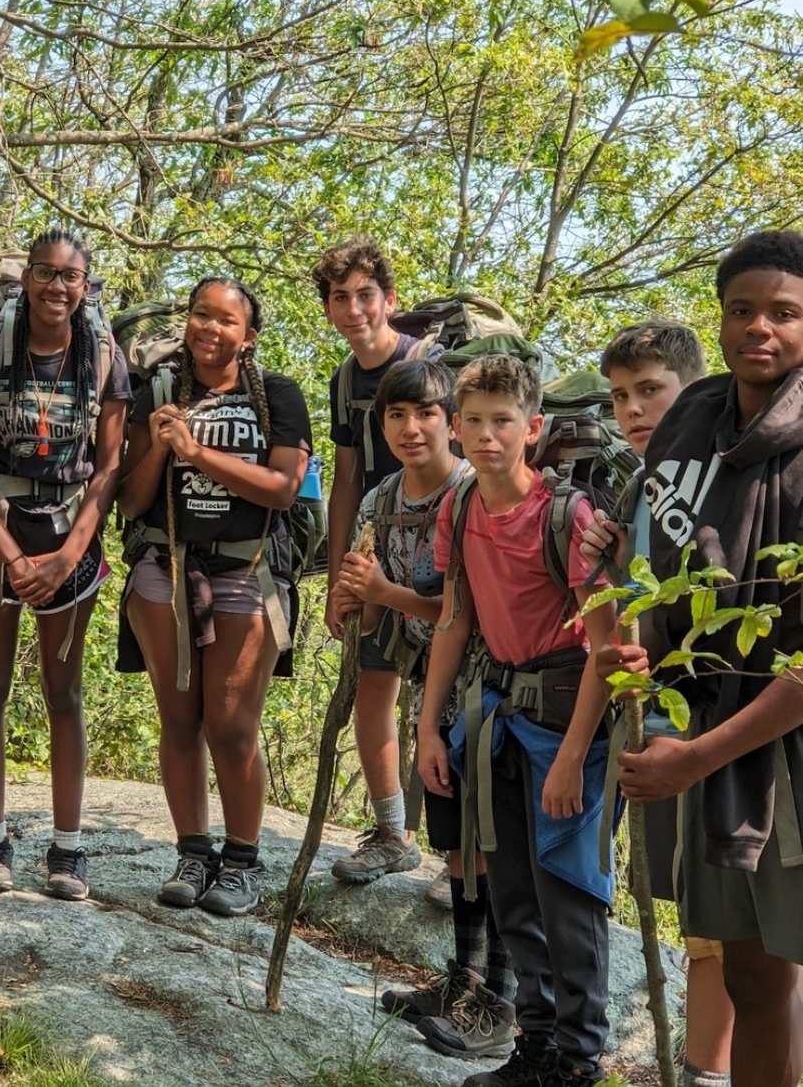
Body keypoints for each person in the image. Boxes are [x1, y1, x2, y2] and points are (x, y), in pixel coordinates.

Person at [611, 231, 803, 1087]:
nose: (759, 327)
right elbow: (667, 566)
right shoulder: (693, 420)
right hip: (710, 722)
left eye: (785, 312)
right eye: (741, 309)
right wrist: (642, 648)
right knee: (753, 968)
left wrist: (694, 759)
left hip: (776, 743)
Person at [417, 354, 617, 1087]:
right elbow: (453, 619)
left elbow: (604, 647)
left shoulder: (568, 516)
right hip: (494, 717)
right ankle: (535, 1046)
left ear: (532, 428)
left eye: (502, 421)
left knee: (569, 890)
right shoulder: (460, 505)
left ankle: (578, 1058)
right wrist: (428, 726)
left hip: (568, 723)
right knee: (513, 888)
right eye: (472, 420)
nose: (485, 435)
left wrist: (572, 755)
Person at [330, 358, 516, 1058]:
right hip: (432, 689)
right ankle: (462, 982)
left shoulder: (473, 495)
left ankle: (497, 1001)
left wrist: (386, 594)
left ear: (451, 421)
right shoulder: (381, 497)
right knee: (457, 845)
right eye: (396, 416)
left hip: (485, 691)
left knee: (487, 843)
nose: (412, 428)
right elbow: (365, 583)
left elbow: (470, 607)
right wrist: (351, 595)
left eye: (427, 413)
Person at [115, 276, 312, 916]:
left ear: (247, 336)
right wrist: (162, 448)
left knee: (230, 726)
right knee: (178, 720)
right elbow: (132, 501)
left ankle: (243, 861)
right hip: (163, 567)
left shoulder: (279, 395)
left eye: (226, 320)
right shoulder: (161, 392)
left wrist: (196, 452)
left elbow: (283, 488)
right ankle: (193, 853)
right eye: (201, 315)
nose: (210, 328)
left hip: (246, 571)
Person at [0, 228, 129, 901]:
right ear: (26, 277)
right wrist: (13, 555)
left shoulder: (104, 354)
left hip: (68, 538)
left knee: (65, 694)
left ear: (86, 285)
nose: (57, 287)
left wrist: (69, 554)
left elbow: (109, 463)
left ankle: (68, 849)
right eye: (45, 273)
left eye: (71, 276)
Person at [580, 321, 731, 1087]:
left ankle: (708, 1068)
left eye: (651, 391)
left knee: (725, 915)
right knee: (686, 902)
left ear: (694, 391)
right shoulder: (636, 487)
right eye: (618, 396)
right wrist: (596, 571)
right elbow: (604, 633)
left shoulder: (722, 482)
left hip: (717, 726)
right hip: (652, 719)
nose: (633, 410)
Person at [315, 237, 424, 885]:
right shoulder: (344, 379)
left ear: (389, 299)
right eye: (340, 297)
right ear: (328, 307)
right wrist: (338, 579)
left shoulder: (427, 362)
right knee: (373, 689)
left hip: (439, 552)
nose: (354, 309)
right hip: (374, 551)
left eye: (365, 295)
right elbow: (347, 480)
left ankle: (464, 853)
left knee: (447, 702)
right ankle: (392, 832)